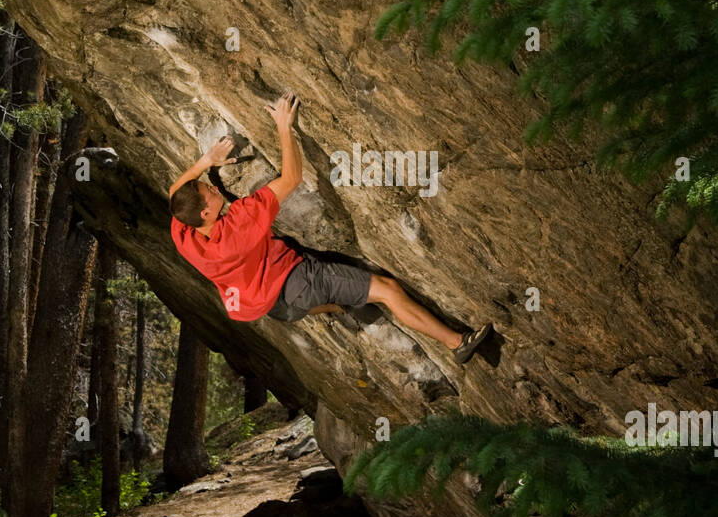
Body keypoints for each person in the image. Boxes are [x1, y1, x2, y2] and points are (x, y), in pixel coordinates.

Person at [168, 90, 492, 365]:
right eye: (209, 190)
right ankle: (456, 343)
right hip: (297, 282)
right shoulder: (241, 222)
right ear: (207, 211)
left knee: (303, 297)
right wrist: (284, 127)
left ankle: (340, 304)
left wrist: (206, 161)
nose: (213, 186)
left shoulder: (185, 233)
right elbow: (291, 178)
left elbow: (175, 194)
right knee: (387, 290)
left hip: (269, 307)